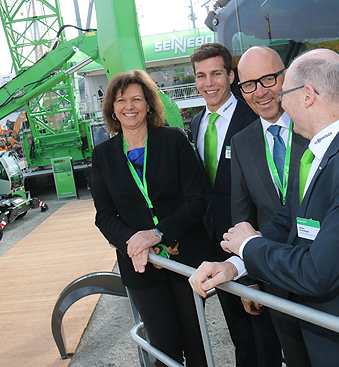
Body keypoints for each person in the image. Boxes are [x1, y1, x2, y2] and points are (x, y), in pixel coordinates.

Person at [190, 49, 339, 367]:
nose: (277, 98)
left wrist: (250, 244)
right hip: (324, 327)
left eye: (283, 90)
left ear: (307, 96)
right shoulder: (327, 151)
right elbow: (289, 220)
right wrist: (237, 265)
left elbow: (318, 273)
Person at [89, 69, 214, 366]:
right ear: (112, 108)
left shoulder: (174, 141)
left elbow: (199, 199)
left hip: (185, 258)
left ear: (148, 104)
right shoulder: (103, 155)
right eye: (121, 100)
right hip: (141, 266)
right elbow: (104, 215)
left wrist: (157, 233)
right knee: (163, 348)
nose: (129, 106)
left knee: (196, 343)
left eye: (136, 99)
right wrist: (132, 241)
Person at [189, 42, 278, 367]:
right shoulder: (197, 123)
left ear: (230, 76)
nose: (208, 83)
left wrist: (252, 256)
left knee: (265, 329)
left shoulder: (253, 116)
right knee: (239, 331)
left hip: (255, 238)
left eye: (216, 74)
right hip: (216, 244)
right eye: (201, 76)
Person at [231, 46, 310, 367]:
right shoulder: (242, 141)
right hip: (274, 278)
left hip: (328, 275)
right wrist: (249, 280)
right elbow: (242, 216)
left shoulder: (316, 127)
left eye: (268, 79)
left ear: (286, 76)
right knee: (295, 358)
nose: (259, 92)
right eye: (249, 84)